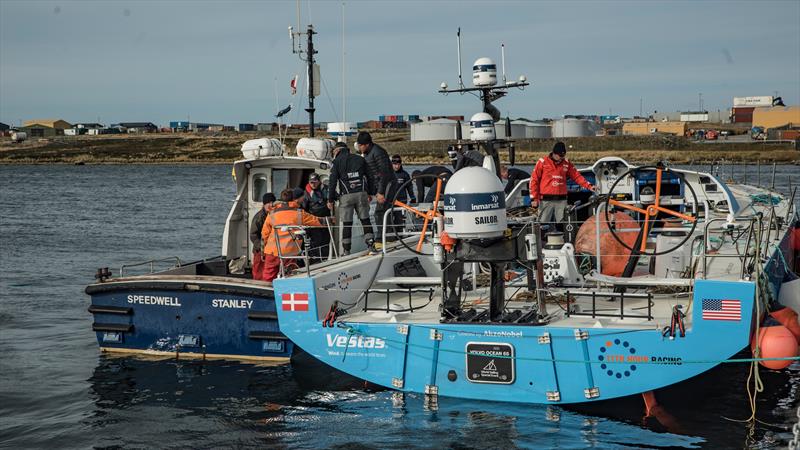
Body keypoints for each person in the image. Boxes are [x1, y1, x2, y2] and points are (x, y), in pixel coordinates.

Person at [261, 189, 324, 282]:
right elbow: (318, 221)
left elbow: (264, 234)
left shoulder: (272, 213)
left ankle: (267, 294)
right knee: (288, 277)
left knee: (268, 277)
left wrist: (263, 251)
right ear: (293, 199)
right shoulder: (299, 214)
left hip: (272, 252)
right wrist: (332, 220)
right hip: (289, 253)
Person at [529, 142, 596, 228]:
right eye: (560, 156)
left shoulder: (566, 163)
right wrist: (534, 198)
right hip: (545, 200)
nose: (561, 158)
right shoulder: (542, 162)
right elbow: (534, 180)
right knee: (543, 223)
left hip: (561, 200)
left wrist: (589, 186)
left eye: (563, 156)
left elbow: (576, 176)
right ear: (554, 153)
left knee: (562, 224)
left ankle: (563, 240)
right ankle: (542, 240)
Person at [327, 141, 376, 255]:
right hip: (361, 194)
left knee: (347, 224)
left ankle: (346, 251)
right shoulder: (360, 159)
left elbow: (332, 182)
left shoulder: (336, 162)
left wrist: (330, 199)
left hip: (346, 197)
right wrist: (370, 193)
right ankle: (371, 246)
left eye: (334, 151)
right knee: (365, 220)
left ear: (337, 150)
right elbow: (370, 176)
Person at [356, 131, 397, 245]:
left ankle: (385, 238)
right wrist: (369, 192)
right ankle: (384, 237)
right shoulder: (367, 153)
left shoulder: (378, 152)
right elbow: (371, 176)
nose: (359, 147)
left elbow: (384, 173)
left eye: (360, 145)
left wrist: (380, 192)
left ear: (367, 144)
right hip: (379, 185)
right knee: (380, 212)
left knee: (380, 211)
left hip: (388, 184)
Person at [302, 173, 331, 261]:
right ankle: (315, 261)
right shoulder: (306, 193)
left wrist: (331, 201)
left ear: (319, 181)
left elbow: (335, 196)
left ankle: (324, 259)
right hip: (313, 221)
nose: (313, 184)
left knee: (326, 240)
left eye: (315, 182)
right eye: (311, 183)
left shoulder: (326, 189)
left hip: (325, 220)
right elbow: (303, 208)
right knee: (315, 242)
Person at [250, 193, 276, 280]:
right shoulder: (259, 217)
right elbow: (253, 235)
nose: (270, 205)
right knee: (258, 272)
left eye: (272, 202)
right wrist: (261, 247)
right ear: (264, 204)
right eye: (268, 203)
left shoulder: (275, 215)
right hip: (260, 250)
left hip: (271, 250)